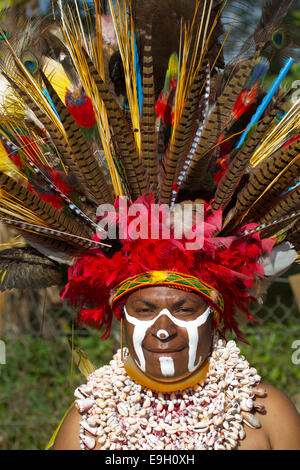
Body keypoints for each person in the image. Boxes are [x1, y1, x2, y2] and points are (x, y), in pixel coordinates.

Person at [0, 0, 299, 451]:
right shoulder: (88, 428)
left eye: (182, 308)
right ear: (119, 313)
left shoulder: (265, 415)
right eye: (144, 309)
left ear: (215, 314)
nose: (163, 328)